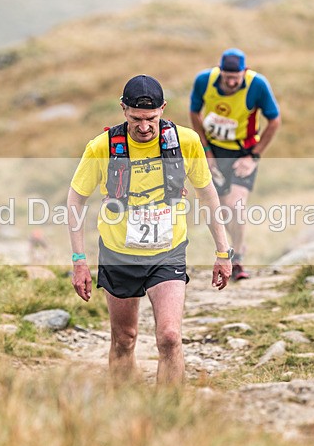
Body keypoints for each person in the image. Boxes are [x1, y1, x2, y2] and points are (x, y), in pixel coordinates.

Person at [68, 74, 233, 386]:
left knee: (170, 337)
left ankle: (169, 415)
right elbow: (75, 199)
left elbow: (208, 195)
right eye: (136, 119)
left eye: (152, 119)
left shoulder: (186, 142)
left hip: (167, 252)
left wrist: (223, 251)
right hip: (119, 255)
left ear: (164, 110)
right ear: (123, 110)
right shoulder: (101, 147)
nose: (144, 127)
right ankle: (125, 408)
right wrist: (79, 259)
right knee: (124, 340)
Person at [189, 48, 281, 280]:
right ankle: (230, 249)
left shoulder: (257, 85)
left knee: (235, 205)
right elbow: (194, 112)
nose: (230, 82)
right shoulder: (204, 81)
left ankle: (238, 257)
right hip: (214, 151)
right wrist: (206, 150)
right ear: (220, 71)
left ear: (244, 72)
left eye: (236, 77)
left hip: (243, 152)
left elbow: (274, 121)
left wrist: (254, 156)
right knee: (218, 208)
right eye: (227, 77)